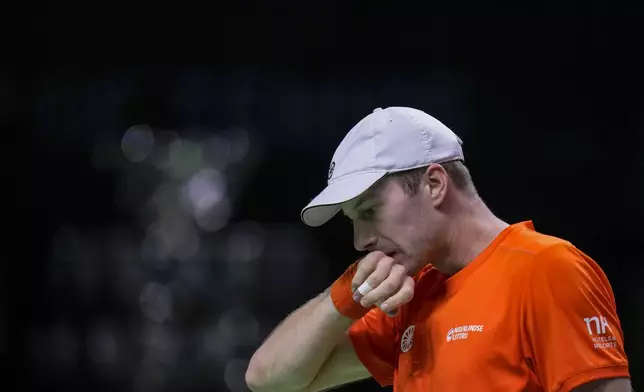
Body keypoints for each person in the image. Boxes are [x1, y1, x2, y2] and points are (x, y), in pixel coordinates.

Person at [245, 107, 631, 391]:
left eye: (371, 210)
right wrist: (347, 295)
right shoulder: (412, 298)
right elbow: (269, 379)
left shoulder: (547, 269)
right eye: (352, 219)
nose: (360, 241)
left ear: (434, 184)